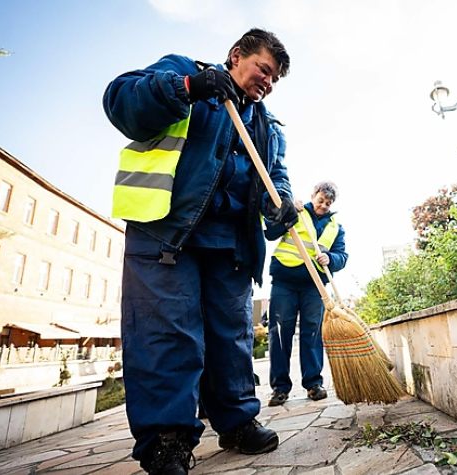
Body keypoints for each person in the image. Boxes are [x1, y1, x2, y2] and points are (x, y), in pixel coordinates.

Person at [103, 28, 299, 475]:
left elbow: (277, 176)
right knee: (168, 334)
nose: (266, 83)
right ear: (236, 56)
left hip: (230, 245)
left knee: (232, 337)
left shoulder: (267, 128)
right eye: (263, 70)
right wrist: (189, 89)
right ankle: (167, 440)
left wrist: (280, 204)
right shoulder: (185, 74)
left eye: (273, 80)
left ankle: (236, 421)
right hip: (169, 233)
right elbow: (121, 101)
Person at [264, 181, 348, 406]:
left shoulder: (335, 227)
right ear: (313, 196)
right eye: (320, 200)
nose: (323, 206)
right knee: (280, 334)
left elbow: (342, 256)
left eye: (328, 203)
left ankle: (313, 384)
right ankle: (280, 388)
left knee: (312, 334)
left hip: (314, 287)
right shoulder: (296, 210)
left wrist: (331, 259)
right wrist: (287, 211)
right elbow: (270, 232)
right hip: (285, 282)